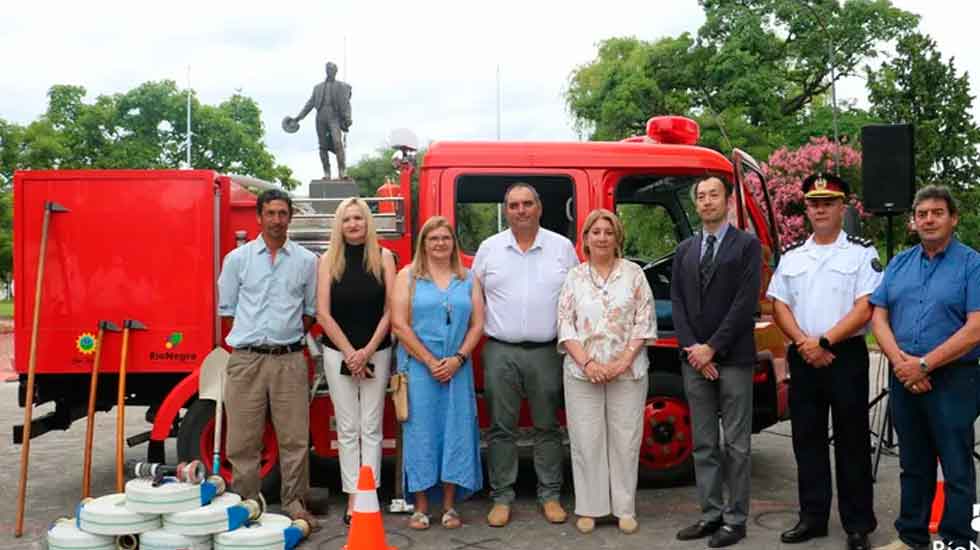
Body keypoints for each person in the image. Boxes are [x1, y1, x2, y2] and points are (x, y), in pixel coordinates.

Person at [767, 173, 881, 550]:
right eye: (814, 203)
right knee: (807, 441)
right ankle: (812, 517)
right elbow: (779, 303)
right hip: (804, 355)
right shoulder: (793, 255)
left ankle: (858, 525)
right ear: (807, 209)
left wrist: (826, 340)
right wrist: (804, 342)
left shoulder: (862, 253)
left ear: (842, 207)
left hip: (844, 355)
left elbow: (866, 306)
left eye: (828, 202)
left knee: (852, 442)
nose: (820, 208)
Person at [869, 185, 980, 550]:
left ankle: (957, 540)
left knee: (956, 466)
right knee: (913, 464)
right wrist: (902, 364)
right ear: (913, 222)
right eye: (922, 214)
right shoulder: (900, 262)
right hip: (905, 377)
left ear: (953, 218)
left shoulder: (972, 264)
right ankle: (911, 537)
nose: (929, 219)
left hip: (953, 379)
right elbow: (879, 317)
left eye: (937, 212)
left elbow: (975, 328)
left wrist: (924, 364)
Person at [472, 182, 579, 527]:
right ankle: (502, 497)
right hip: (500, 350)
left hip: (547, 351)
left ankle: (550, 496)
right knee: (502, 429)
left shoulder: (562, 248)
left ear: (539, 208)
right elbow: (474, 299)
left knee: (547, 427)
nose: (521, 210)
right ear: (507, 210)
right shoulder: (489, 249)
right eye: (514, 205)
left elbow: (577, 298)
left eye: (527, 204)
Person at [217, 188, 319, 528]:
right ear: (258, 217)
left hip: (289, 358)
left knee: (295, 438)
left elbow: (309, 313)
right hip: (246, 359)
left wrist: (281, 339)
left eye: (282, 213)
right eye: (271, 213)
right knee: (243, 439)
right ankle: (247, 503)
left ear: (290, 217)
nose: (277, 220)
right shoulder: (237, 260)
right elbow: (227, 311)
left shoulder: (306, 262)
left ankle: (294, 502)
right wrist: (255, 341)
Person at [671, 176, 761, 548]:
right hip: (694, 361)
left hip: (734, 359)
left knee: (736, 445)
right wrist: (695, 348)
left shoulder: (747, 246)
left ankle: (736, 519)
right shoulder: (685, 250)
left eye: (714, 195)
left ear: (728, 201)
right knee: (704, 444)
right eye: (701, 197)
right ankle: (710, 514)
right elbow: (677, 303)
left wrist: (713, 348)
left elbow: (744, 304)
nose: (707, 202)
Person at [556, 209, 657, 535]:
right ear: (585, 239)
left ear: (617, 238)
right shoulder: (575, 277)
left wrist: (622, 361)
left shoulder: (634, 275)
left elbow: (644, 320)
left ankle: (624, 508)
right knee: (587, 440)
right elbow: (564, 324)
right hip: (582, 372)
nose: (601, 237)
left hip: (627, 372)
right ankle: (590, 508)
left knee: (626, 440)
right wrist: (588, 363)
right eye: (595, 232)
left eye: (608, 232)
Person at [391, 216, 485, 530]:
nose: (440, 243)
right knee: (421, 434)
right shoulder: (408, 277)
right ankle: (420, 506)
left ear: (453, 243)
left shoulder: (468, 278)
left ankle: (449, 506)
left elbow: (477, 325)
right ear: (424, 244)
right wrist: (431, 361)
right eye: (433, 239)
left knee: (455, 432)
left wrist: (458, 358)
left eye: (446, 238)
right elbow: (399, 325)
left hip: (457, 369)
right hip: (419, 369)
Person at [316, 197, 396, 526]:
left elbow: (392, 310)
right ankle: (353, 496)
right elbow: (322, 312)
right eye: (347, 219)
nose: (353, 225)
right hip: (338, 352)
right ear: (340, 224)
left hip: (377, 350)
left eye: (359, 219)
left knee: (371, 426)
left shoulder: (384, 257)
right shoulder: (327, 260)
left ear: (368, 223)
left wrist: (367, 351)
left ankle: (370, 493)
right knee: (348, 428)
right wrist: (350, 352)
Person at [289, 61, 352, 178]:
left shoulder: (341, 86)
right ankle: (326, 172)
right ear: (326, 71)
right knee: (322, 146)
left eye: (333, 70)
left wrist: (348, 117)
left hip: (334, 117)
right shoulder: (317, 88)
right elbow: (310, 104)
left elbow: (346, 103)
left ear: (336, 72)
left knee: (338, 143)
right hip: (320, 117)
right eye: (329, 70)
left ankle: (342, 171)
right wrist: (298, 117)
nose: (331, 72)